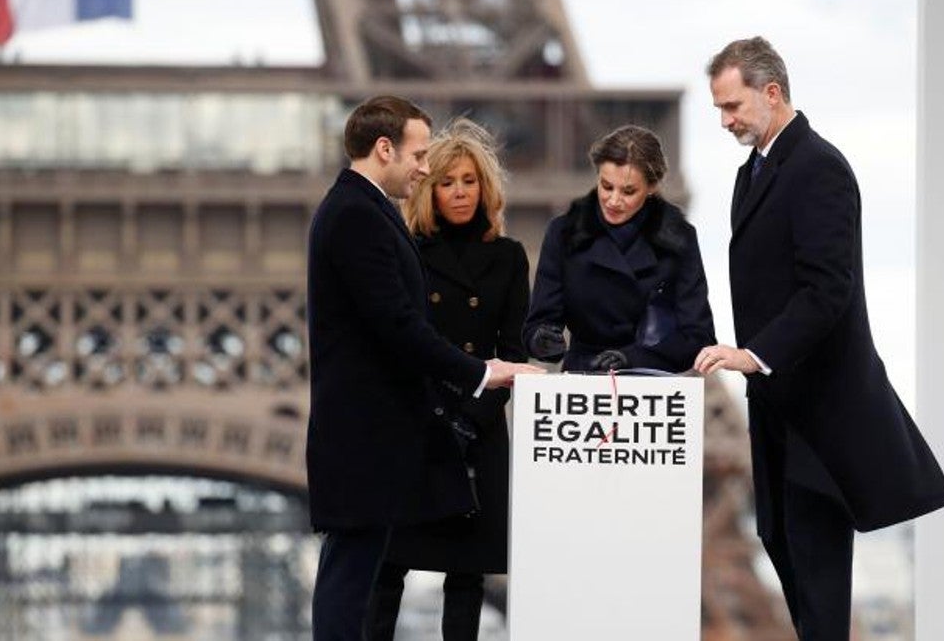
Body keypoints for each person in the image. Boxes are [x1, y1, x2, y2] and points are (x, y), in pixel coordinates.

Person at [694, 37, 944, 640]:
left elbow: (828, 289)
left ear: (772, 92)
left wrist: (753, 356)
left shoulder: (818, 167)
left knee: (817, 579)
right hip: (780, 410)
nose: (725, 121)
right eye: (719, 110)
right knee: (789, 558)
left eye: (732, 106)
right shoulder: (753, 174)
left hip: (817, 418)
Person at [306, 96, 542, 641]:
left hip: (378, 433)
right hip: (366, 433)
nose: (423, 167)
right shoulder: (355, 215)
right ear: (383, 148)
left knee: (358, 571)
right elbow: (398, 326)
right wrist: (483, 372)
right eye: (417, 155)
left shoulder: (363, 210)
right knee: (353, 578)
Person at [363, 118, 528, 641]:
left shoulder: (508, 258)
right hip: (419, 426)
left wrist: (476, 413)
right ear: (428, 188)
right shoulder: (405, 249)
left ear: (485, 186)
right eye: (446, 182)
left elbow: (513, 350)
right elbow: (401, 340)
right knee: (388, 566)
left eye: (469, 181)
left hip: (477, 429)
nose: (459, 192)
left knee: (468, 573)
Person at [522, 124, 716, 373]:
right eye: (606, 186)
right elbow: (539, 322)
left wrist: (634, 359)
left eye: (628, 191)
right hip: (582, 383)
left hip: (650, 384)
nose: (613, 201)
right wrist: (541, 340)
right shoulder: (562, 233)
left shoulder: (680, 240)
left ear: (652, 187)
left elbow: (698, 336)